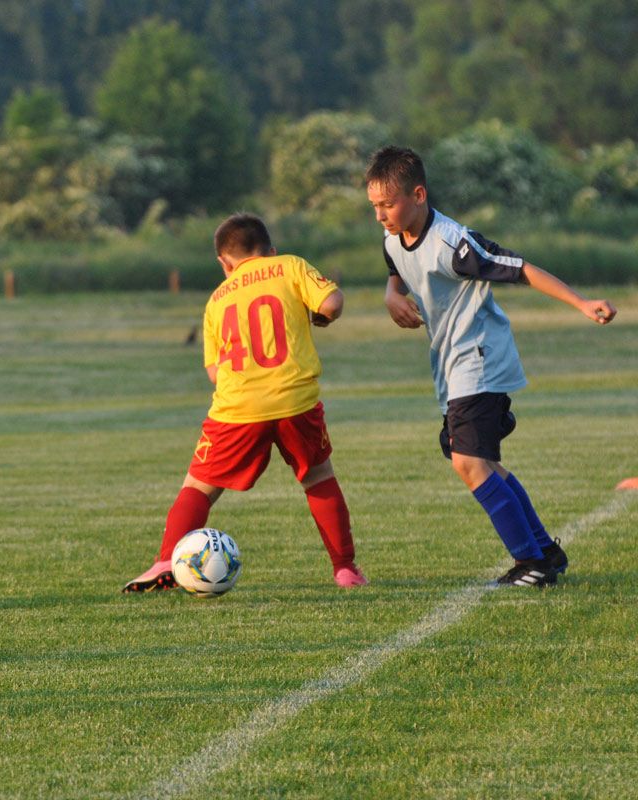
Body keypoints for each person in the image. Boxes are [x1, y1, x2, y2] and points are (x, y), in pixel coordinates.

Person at [364, 145, 617, 587]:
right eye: (374, 206)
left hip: (479, 359)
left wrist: (581, 302)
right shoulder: (392, 237)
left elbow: (520, 268)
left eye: (388, 204)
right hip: (452, 364)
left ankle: (530, 563)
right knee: (484, 462)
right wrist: (391, 295)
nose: (381, 215)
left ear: (418, 194)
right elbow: (396, 266)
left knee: (469, 463)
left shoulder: (454, 244)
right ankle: (546, 553)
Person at [123, 213, 366, 592]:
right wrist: (320, 315)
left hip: (237, 409)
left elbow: (214, 373)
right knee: (318, 477)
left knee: (199, 486)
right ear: (270, 250)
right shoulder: (290, 265)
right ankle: (345, 569)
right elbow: (332, 303)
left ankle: (163, 560)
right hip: (294, 400)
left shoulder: (217, 299)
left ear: (224, 262)